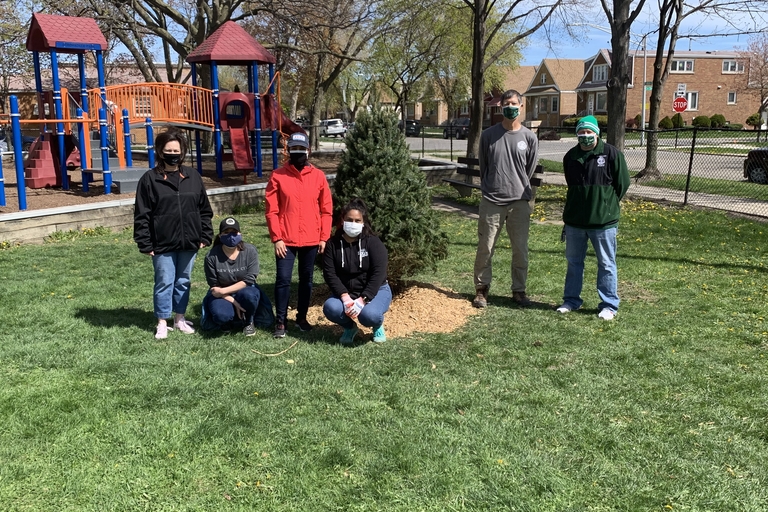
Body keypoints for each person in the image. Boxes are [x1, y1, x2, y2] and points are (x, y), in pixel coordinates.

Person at [134, 128, 213, 339]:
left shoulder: (193, 176)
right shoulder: (150, 179)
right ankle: (162, 321)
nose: (172, 153)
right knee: (164, 281)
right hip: (162, 243)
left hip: (190, 241)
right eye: (168, 150)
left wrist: (205, 235)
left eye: (176, 150)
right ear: (160, 151)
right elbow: (142, 214)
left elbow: (204, 209)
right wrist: (145, 242)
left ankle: (179, 318)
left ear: (183, 151)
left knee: (183, 281)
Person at [557, 115, 630, 320]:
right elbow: (572, 185)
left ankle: (609, 305)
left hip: (603, 223)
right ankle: (571, 300)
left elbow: (622, 184)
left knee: (606, 263)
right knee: (574, 263)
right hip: (575, 222)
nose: (585, 136)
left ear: (597, 133)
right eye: (581, 132)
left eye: (589, 132)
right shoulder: (570, 157)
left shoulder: (611, 154)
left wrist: (606, 204)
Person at [472, 89, 539, 309]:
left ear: (521, 106)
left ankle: (519, 290)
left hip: (519, 202)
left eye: (513, 103)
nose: (510, 107)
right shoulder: (489, 135)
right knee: (486, 247)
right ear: (501, 107)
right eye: (506, 104)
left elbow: (528, 169)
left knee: (520, 249)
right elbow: (484, 167)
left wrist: (518, 187)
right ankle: (481, 290)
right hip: (492, 200)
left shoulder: (529, 137)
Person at [265, 132, 333, 338]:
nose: (298, 153)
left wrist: (324, 236)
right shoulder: (278, 176)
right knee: (283, 279)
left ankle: (302, 318)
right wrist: (277, 238)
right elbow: (271, 210)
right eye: (293, 149)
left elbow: (326, 209)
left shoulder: (319, 176)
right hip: (286, 239)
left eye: (301, 149)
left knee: (307, 279)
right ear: (288, 151)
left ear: (308, 151)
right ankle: (281, 322)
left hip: (311, 239)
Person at [322, 199, 391, 345]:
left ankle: (377, 325)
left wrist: (363, 299)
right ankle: (350, 328)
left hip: (376, 290)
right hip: (347, 291)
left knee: (369, 316)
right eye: (349, 220)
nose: (353, 224)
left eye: (357, 220)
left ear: (363, 222)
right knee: (331, 308)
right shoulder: (332, 244)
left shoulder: (372, 242)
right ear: (342, 220)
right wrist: (344, 296)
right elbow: (330, 273)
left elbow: (378, 273)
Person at [201, 217, 274, 335]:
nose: (231, 236)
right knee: (222, 315)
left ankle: (249, 321)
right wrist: (234, 301)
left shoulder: (250, 250)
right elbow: (214, 287)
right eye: (226, 233)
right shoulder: (211, 256)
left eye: (234, 232)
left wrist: (223, 291)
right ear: (220, 235)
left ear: (240, 234)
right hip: (222, 296)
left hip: (244, 290)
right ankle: (229, 321)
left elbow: (250, 280)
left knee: (250, 295)